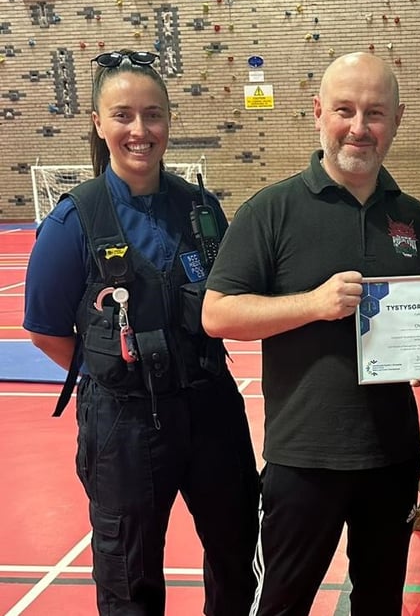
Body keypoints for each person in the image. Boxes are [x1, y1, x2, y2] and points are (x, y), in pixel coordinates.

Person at [202, 51, 420, 616]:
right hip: (304, 457)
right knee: (283, 604)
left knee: (381, 600)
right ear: (318, 112)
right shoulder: (272, 209)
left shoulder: (414, 217)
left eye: (376, 113)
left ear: (397, 119)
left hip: (391, 455)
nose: (359, 128)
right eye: (345, 110)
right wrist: (313, 304)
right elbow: (217, 314)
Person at [23, 49, 259, 616]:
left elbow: (230, 300)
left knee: (235, 553)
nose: (139, 130)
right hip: (124, 426)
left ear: (169, 122)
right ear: (99, 124)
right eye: (123, 115)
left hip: (211, 411)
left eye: (152, 115)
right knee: (131, 581)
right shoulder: (71, 222)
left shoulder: (201, 209)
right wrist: (120, 372)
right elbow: (47, 333)